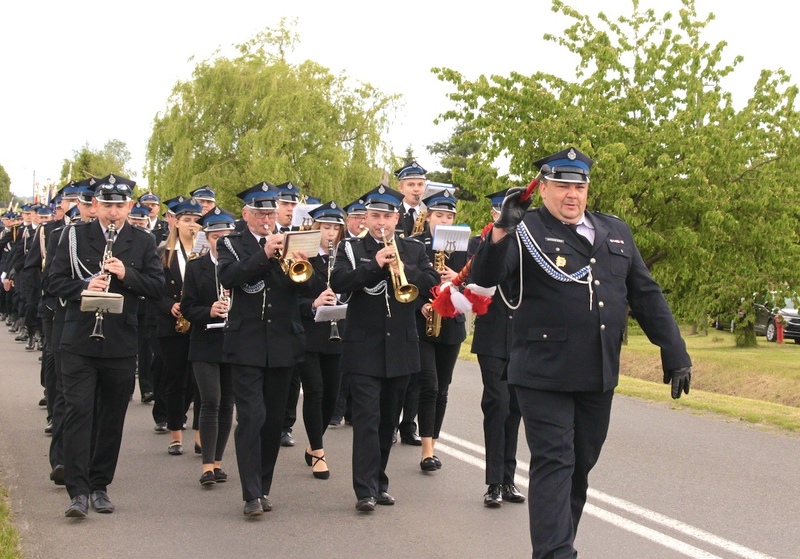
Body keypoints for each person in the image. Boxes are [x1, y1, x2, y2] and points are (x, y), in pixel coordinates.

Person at [470, 146, 692, 559]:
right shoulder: (524, 228)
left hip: (598, 373)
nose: (571, 195)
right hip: (543, 373)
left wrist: (674, 350)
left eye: (579, 186)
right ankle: (557, 554)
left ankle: (558, 545)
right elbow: (484, 281)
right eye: (561, 186)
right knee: (554, 462)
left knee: (579, 467)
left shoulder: (616, 231)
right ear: (544, 188)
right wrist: (500, 232)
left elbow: (645, 294)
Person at [46, 173, 164, 518]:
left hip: (121, 342)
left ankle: (100, 486)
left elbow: (156, 288)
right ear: (95, 205)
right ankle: (78, 492)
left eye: (120, 206)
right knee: (79, 412)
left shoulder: (141, 241)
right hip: (79, 339)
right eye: (107, 205)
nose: (113, 213)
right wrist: (84, 287)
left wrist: (127, 274)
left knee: (111, 418)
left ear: (129, 206)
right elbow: (52, 281)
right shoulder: (73, 236)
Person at [330, 184, 440, 512]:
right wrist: (374, 264)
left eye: (387, 216)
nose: (382, 222)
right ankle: (364, 490)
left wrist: (405, 268)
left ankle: (379, 480)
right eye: (375, 216)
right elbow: (339, 283)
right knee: (367, 418)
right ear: (366, 217)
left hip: (402, 348)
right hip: (363, 348)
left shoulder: (413, 249)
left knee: (388, 420)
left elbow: (431, 280)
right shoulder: (351, 247)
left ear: (396, 218)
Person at [216, 182, 306, 517]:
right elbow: (229, 276)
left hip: (283, 343)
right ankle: (251, 493)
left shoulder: (293, 240)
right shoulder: (230, 242)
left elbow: (309, 285)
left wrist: (300, 260)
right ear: (246, 214)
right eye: (260, 213)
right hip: (246, 343)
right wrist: (265, 253)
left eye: (271, 212)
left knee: (271, 423)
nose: (267, 219)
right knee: (252, 416)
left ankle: (264, 486)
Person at [469, 189, 525, 508]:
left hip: (521, 340)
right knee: (498, 404)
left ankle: (508, 478)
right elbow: (485, 278)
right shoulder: (486, 244)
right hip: (492, 337)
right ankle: (493, 482)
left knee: (514, 409)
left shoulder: (530, 246)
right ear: (494, 215)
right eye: (502, 212)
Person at [410, 189, 468, 472]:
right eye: (439, 215)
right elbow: (406, 284)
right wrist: (421, 303)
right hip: (422, 325)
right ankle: (426, 450)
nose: (444, 220)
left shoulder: (464, 248)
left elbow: (476, 287)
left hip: (452, 323)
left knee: (442, 388)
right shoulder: (415, 245)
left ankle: (433, 441)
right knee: (429, 386)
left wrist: (457, 279)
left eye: (449, 216)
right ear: (428, 216)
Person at [180, 207, 236, 486]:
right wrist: (209, 311)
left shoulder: (240, 267)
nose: (221, 241)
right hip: (204, 342)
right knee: (211, 399)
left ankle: (217, 462)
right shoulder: (195, 266)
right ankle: (205, 467)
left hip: (232, 342)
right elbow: (188, 307)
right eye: (216, 237)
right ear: (208, 238)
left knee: (228, 403)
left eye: (226, 236)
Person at [296, 201, 347, 480]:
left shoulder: (344, 257)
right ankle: (318, 450)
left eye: (335, 228)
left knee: (331, 394)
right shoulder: (302, 257)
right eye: (325, 227)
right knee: (314, 390)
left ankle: (314, 441)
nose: (330, 233)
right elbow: (291, 298)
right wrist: (314, 303)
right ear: (315, 228)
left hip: (336, 332)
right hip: (308, 332)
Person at [151, 197, 203, 456]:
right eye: (187, 220)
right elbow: (152, 290)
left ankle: (199, 434)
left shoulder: (205, 253)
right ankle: (175, 434)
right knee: (175, 379)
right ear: (176, 223)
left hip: (201, 322)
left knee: (198, 382)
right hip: (172, 324)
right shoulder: (163, 253)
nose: (192, 225)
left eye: (196, 221)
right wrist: (168, 305)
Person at [394, 161, 428, 445]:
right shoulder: (394, 215)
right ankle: (391, 421)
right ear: (401, 187)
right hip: (397, 294)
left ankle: (410, 424)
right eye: (412, 185)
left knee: (417, 370)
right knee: (399, 365)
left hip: (421, 291)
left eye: (420, 185)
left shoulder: (429, 215)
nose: (417, 189)